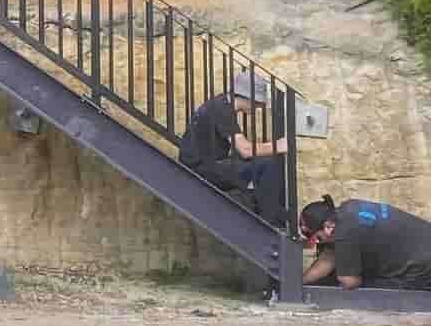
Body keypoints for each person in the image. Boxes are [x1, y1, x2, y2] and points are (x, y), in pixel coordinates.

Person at [178, 69, 288, 225]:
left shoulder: (220, 104)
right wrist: (280, 145)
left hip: (205, 164)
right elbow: (245, 150)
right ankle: (271, 223)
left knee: (261, 166)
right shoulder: (221, 110)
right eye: (257, 103)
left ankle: (271, 213)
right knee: (267, 164)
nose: (258, 107)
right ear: (248, 97)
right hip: (200, 169)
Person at [300, 194, 431, 291]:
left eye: (318, 238)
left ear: (328, 226)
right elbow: (327, 259)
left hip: (422, 267)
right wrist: (299, 282)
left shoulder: (345, 233)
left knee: (364, 288)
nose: (318, 243)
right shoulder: (347, 209)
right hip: (423, 247)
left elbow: (349, 282)